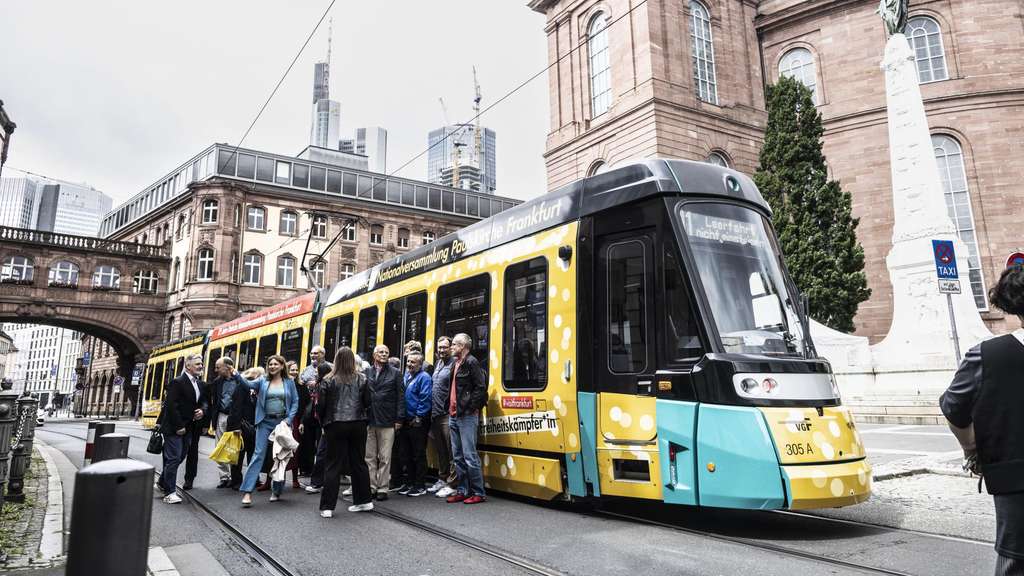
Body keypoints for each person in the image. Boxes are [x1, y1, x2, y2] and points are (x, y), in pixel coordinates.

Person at [941, 265, 1024, 575]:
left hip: (1016, 481)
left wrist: (970, 447)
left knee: (1015, 560)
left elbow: (953, 407)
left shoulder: (986, 355)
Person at [318, 347, 374, 517]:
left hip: (335, 423)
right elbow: (367, 401)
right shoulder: (362, 378)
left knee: (333, 464)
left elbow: (321, 406)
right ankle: (364, 501)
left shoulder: (328, 380)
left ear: (336, 360)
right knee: (359, 462)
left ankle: (327, 507)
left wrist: (323, 423)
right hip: (358, 423)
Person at [239, 355, 299, 507]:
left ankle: (277, 490)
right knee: (258, 455)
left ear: (281, 366)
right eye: (270, 364)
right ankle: (247, 492)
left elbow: (295, 402)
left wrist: (289, 419)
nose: (272, 366)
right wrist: (236, 375)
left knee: (280, 457)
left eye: (275, 364)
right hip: (264, 422)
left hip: (282, 423)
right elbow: (248, 385)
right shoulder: (262, 380)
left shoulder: (289, 382)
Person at [158, 354, 208, 504]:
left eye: (201, 364)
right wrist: (179, 426)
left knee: (180, 456)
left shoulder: (199, 384)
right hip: (175, 427)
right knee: (173, 458)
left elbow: (203, 401)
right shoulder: (177, 382)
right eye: (197, 364)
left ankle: (162, 482)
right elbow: (171, 406)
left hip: (189, 427)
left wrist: (202, 411)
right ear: (188, 366)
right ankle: (169, 493)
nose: (200, 366)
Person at [446, 333, 487, 504]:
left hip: (466, 415)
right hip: (454, 415)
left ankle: (478, 492)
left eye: (454, 344)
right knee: (458, 456)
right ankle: (463, 490)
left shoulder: (471, 362)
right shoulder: (455, 363)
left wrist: (471, 408)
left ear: (462, 346)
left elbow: (480, 387)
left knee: (469, 455)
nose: (451, 347)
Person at [364, 344, 404, 500]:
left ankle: (382, 488)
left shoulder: (395, 373)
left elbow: (401, 397)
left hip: (388, 420)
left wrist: (399, 419)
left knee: (385, 457)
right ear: (374, 355)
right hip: (369, 419)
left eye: (386, 352)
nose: (384, 354)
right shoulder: (366, 372)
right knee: (369, 457)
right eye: (381, 352)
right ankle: (370, 486)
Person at [397, 353, 433, 496]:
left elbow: (425, 398)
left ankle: (420, 485)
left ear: (420, 364)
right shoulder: (406, 376)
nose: (410, 364)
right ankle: (409, 482)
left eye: (413, 362)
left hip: (417, 422)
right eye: (408, 362)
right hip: (406, 420)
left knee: (418, 454)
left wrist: (419, 416)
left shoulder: (424, 377)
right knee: (406, 453)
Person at [428, 336, 457, 497]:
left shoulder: (454, 364)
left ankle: (452, 483)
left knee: (451, 449)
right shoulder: (438, 363)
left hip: (447, 414)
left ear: (451, 348)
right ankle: (443, 478)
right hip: (436, 414)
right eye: (439, 348)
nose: (441, 350)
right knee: (441, 450)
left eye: (445, 347)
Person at [301, 347, 332, 493]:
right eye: (312, 353)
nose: (313, 355)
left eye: (316, 353)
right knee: (308, 441)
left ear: (323, 354)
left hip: (323, 413)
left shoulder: (330, 368)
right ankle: (307, 468)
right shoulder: (305, 370)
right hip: (311, 410)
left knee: (322, 447)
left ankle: (319, 479)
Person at [210, 357, 245, 488]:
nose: (215, 370)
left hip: (235, 418)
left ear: (228, 367)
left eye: (218, 367)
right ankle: (224, 477)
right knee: (219, 447)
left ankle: (235, 477)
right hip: (221, 416)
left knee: (233, 448)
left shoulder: (240, 380)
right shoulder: (217, 382)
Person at [226, 367, 260, 490]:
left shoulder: (257, 390)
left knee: (252, 455)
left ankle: (254, 479)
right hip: (240, 426)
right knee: (238, 455)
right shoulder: (241, 388)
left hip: (253, 427)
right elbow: (235, 409)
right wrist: (236, 427)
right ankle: (236, 481)